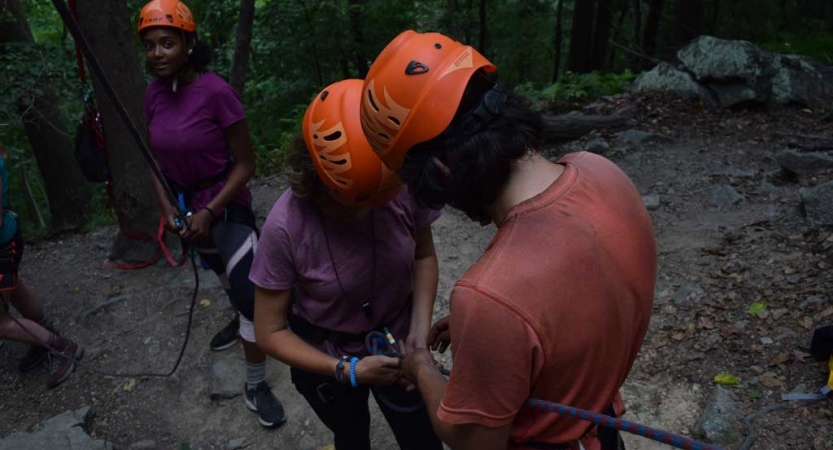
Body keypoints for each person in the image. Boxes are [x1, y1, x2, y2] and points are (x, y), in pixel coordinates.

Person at [360, 30, 657, 450]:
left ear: (442, 172)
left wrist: (422, 367)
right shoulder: (602, 173)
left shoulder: (491, 297)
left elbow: (474, 442)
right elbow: (579, 297)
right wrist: (491, 335)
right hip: (602, 426)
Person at [250, 79, 444, 450]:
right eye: (356, 202)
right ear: (318, 181)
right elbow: (269, 331)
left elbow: (423, 255)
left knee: (421, 436)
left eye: (378, 199)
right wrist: (346, 370)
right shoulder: (286, 227)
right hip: (327, 353)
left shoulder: (399, 186)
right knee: (351, 437)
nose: (372, 209)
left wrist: (418, 335)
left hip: (398, 341)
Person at [138, 0, 284, 427]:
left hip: (225, 207)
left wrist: (210, 210)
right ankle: (237, 317)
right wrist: (170, 211)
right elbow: (153, 159)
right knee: (221, 273)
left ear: (188, 43)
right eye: (150, 45)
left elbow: (246, 164)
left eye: (167, 43)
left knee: (251, 296)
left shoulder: (217, 92)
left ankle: (256, 383)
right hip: (185, 208)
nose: (158, 53)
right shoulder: (153, 95)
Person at [0, 144, 83, 389]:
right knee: (14, 289)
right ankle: (41, 338)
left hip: (2, 243)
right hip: (6, 239)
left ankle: (64, 348)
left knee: (1, 323)